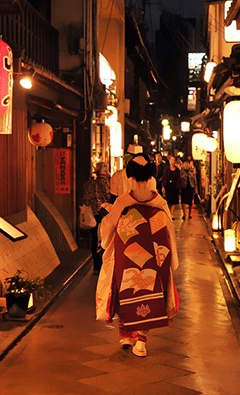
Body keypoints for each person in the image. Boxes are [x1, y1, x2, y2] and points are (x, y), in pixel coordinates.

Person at [95, 153, 179, 358]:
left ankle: (126, 335)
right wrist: (172, 259)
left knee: (127, 290)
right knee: (151, 290)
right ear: (153, 176)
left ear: (130, 177)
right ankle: (141, 340)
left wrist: (105, 238)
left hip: (127, 254)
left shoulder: (125, 200)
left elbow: (109, 227)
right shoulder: (158, 202)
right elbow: (169, 229)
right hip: (155, 256)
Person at [82, 162, 111, 274]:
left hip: (92, 215)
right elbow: (110, 197)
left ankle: (96, 265)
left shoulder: (88, 184)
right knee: (105, 238)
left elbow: (85, 200)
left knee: (94, 239)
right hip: (105, 214)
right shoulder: (107, 184)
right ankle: (104, 264)